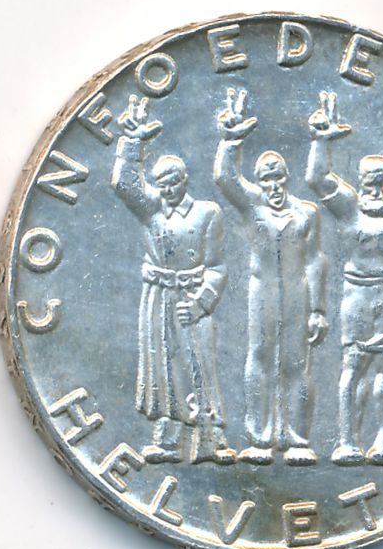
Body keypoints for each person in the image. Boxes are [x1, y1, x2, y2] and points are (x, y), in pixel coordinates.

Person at [111, 94, 235, 465]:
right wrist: (133, 142)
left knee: (199, 365)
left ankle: (211, 439)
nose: (167, 189)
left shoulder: (207, 213)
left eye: (173, 181)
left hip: (191, 296)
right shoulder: (151, 209)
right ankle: (167, 439)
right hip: (157, 297)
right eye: (160, 183)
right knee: (161, 366)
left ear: (185, 180)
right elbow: (123, 183)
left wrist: (200, 304)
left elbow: (217, 267)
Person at [306, 91, 383, 466]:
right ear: (359, 178)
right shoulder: (348, 207)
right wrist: (321, 140)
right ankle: (347, 442)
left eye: (378, 177)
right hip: (356, 294)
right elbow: (316, 178)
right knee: (354, 365)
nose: (372, 183)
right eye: (367, 177)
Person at [214, 88, 327, 466]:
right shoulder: (252, 206)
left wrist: (318, 310)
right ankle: (259, 439)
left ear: (287, 177)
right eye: (265, 180)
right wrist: (230, 141)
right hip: (261, 293)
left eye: (277, 178)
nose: (273, 186)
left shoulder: (307, 213)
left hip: (297, 293)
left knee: (296, 364)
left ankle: (298, 440)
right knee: (260, 358)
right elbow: (225, 178)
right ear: (258, 182)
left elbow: (315, 260)